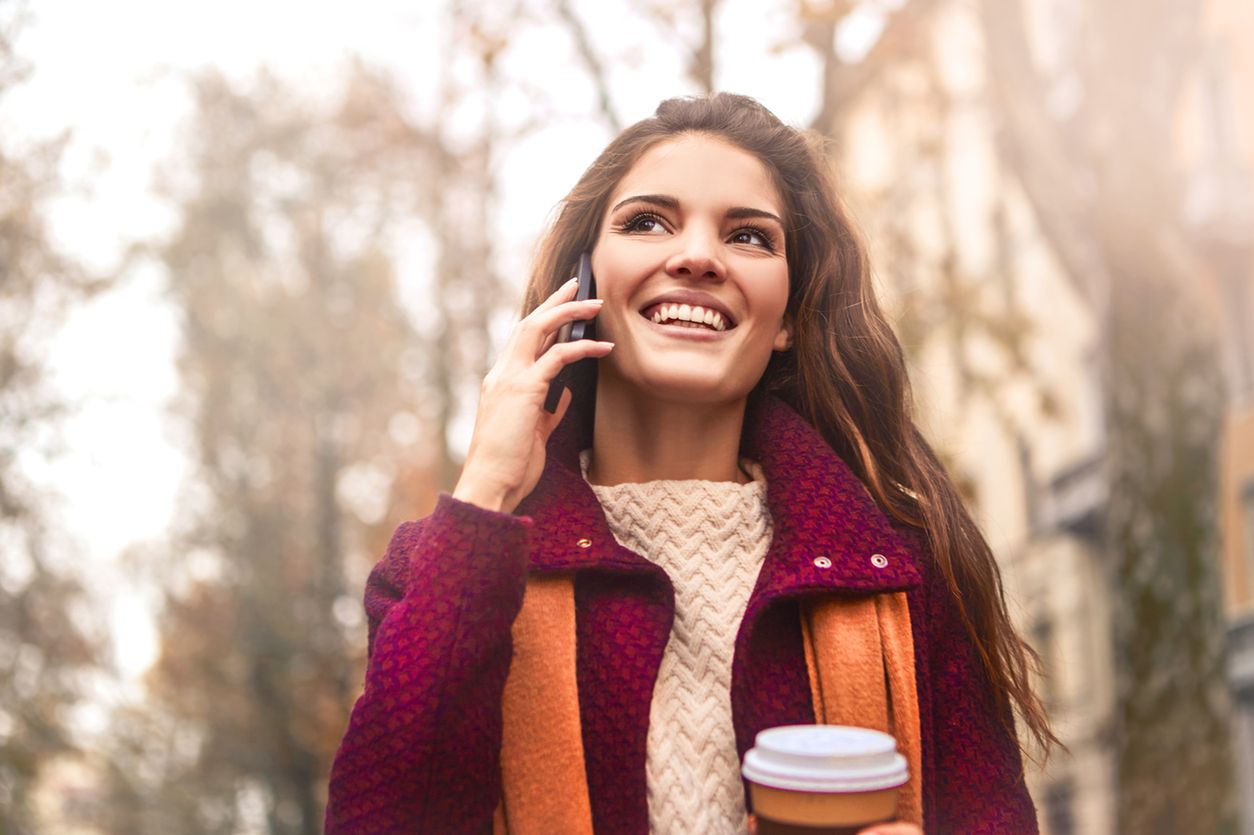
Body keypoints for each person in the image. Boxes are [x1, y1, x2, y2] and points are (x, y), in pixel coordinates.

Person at [324, 93, 1055, 834]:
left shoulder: (904, 574)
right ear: (583, 288)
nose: (698, 256)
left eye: (749, 236)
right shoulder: (446, 566)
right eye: (647, 222)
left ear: (791, 318)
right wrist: (485, 491)